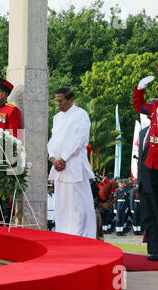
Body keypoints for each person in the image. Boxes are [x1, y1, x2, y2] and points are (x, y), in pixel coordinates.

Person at [47, 86, 96, 239]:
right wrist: (53, 158)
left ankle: (81, 235)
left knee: (78, 202)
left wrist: (64, 158)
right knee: (61, 202)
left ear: (71, 100)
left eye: (61, 101)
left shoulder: (81, 115)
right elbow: (53, 140)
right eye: (56, 101)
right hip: (59, 166)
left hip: (74, 163)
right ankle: (63, 233)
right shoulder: (57, 117)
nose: (58, 104)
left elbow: (79, 139)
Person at [133, 63, 158, 262]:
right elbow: (139, 106)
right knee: (150, 207)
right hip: (150, 162)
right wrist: (139, 89)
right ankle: (155, 248)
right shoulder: (156, 105)